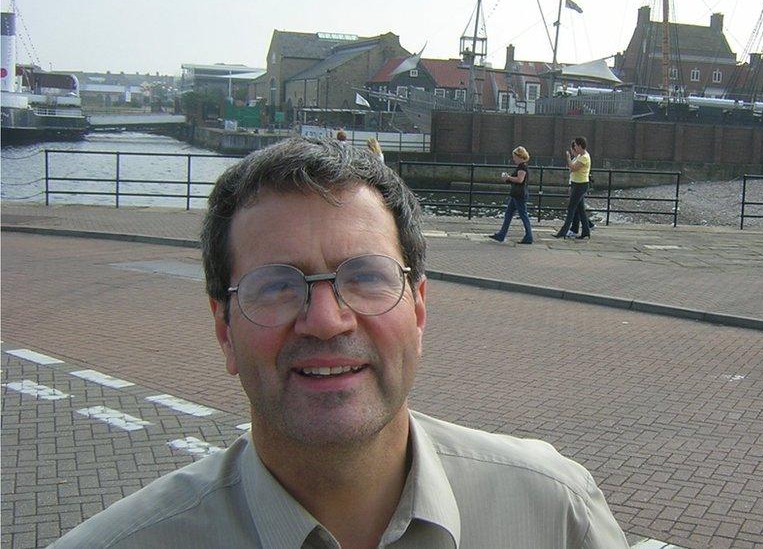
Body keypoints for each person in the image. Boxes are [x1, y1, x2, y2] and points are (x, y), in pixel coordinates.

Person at [54, 138, 628, 548]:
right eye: (277, 286)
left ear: (419, 308)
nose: (327, 321)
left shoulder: (558, 515)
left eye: (367, 277)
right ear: (224, 330)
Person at [488, 145, 534, 244]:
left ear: (519, 156)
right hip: (516, 194)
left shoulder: (522, 167)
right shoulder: (521, 166)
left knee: (523, 215)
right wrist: (508, 178)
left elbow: (520, 180)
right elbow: (516, 180)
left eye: (514, 157)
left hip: (519, 195)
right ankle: (501, 234)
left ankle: (529, 237)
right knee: (508, 214)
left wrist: (508, 177)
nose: (513, 159)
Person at [552, 137, 592, 240]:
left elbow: (573, 168)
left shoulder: (584, 157)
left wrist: (568, 158)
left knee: (571, 209)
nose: (574, 148)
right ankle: (586, 231)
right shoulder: (580, 156)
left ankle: (563, 232)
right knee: (581, 210)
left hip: (580, 185)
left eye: (575, 146)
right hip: (576, 184)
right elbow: (572, 169)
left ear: (579, 145)